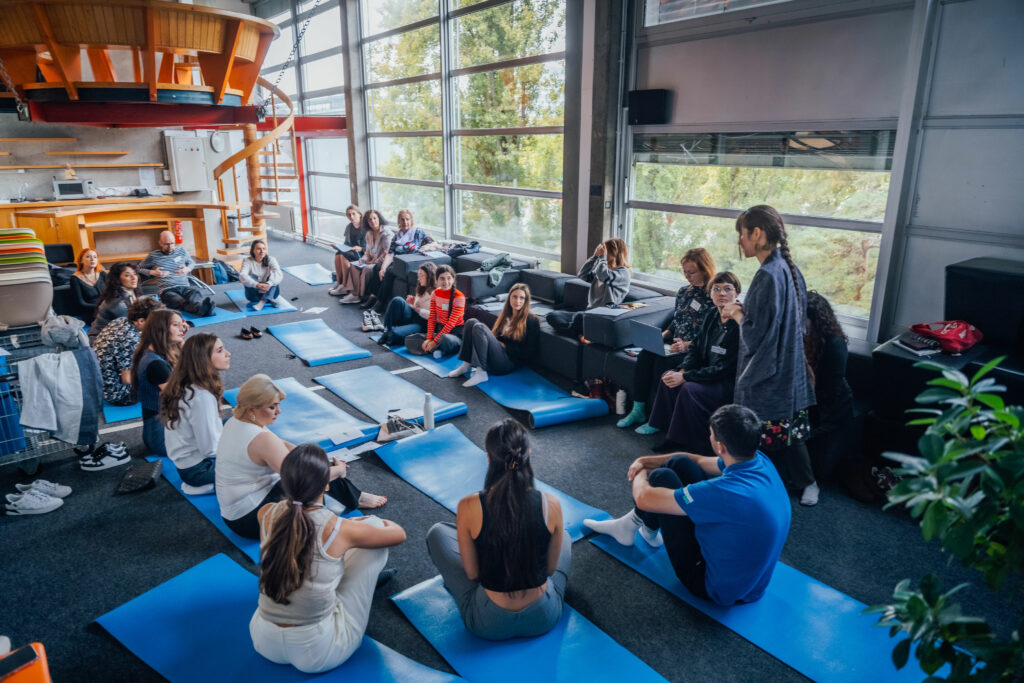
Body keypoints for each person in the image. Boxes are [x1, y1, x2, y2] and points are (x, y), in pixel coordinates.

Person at [583, 404, 790, 606]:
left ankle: (631, 527)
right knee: (679, 462)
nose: (709, 437)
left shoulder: (723, 492)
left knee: (661, 477)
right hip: (753, 586)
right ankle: (641, 527)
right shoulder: (758, 460)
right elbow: (696, 460)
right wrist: (644, 459)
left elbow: (644, 498)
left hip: (710, 585)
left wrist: (639, 471)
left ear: (720, 446)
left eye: (710, 434)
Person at [250, 444, 406, 674]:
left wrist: (347, 530)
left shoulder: (266, 513)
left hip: (263, 640)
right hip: (318, 652)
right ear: (326, 485)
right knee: (373, 532)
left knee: (307, 555)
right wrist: (359, 525)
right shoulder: (336, 527)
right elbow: (397, 534)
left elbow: (301, 532)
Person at [426, 418, 570, 640]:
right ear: (527, 454)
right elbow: (550, 570)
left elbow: (473, 574)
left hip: (488, 624)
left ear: (488, 458)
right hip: (543, 618)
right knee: (565, 538)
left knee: (438, 532)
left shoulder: (469, 505)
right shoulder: (551, 505)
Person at [722, 204, 818, 506]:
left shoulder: (767, 275)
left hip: (770, 369)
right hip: (790, 364)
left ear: (758, 233)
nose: (741, 241)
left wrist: (737, 313)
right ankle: (807, 483)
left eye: (742, 234)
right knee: (789, 431)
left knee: (756, 431)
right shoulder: (788, 267)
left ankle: (752, 485)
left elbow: (755, 334)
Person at [216, 374, 387, 540]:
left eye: (278, 405)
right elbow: (304, 481)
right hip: (251, 521)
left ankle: (355, 497)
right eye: (272, 407)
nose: (279, 411)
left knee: (312, 457)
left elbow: (282, 444)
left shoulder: (238, 420)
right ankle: (335, 522)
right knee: (313, 478)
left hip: (240, 512)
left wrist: (321, 459)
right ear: (253, 408)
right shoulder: (261, 439)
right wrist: (338, 470)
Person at [638, 272, 742, 451]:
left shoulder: (740, 325)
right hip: (706, 373)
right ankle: (663, 428)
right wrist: (684, 370)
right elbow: (695, 347)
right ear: (710, 294)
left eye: (727, 289)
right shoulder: (711, 314)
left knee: (688, 388)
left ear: (737, 293)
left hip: (725, 382)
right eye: (716, 289)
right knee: (669, 377)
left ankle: (679, 440)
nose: (722, 293)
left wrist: (687, 378)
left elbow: (724, 369)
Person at [618, 248, 716, 429]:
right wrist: (663, 335)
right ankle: (638, 410)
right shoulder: (683, 292)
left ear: (705, 269)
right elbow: (677, 320)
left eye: (691, 272)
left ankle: (657, 420)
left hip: (694, 350)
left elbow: (712, 333)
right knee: (645, 356)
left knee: (662, 365)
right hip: (673, 344)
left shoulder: (714, 296)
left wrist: (687, 345)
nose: (687, 276)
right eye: (684, 271)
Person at [161, 333, 231, 495]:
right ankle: (206, 484)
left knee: (240, 424)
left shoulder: (187, 383)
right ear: (203, 359)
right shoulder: (201, 397)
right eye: (220, 351)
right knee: (258, 466)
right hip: (199, 470)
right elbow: (210, 449)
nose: (228, 353)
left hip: (189, 464)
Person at [804, 291, 855, 482]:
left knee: (789, 426)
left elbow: (829, 391)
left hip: (830, 407)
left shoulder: (835, 344)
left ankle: (807, 479)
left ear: (816, 320)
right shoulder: (805, 337)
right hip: (810, 398)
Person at [447, 283, 540, 388]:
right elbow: (497, 337)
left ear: (526, 301)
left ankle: (481, 373)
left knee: (480, 327)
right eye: (514, 296)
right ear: (509, 297)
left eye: (521, 298)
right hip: (496, 355)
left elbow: (531, 352)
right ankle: (466, 365)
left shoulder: (531, 320)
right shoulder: (506, 315)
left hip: (507, 363)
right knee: (471, 322)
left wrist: (506, 346)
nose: (517, 301)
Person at [546, 238, 631, 342]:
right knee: (552, 315)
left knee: (578, 317)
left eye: (605, 250)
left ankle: (577, 331)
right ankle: (578, 333)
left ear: (614, 253)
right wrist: (594, 257)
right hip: (588, 314)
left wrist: (602, 258)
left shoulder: (622, 273)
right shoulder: (602, 268)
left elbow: (603, 275)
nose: (602, 252)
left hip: (602, 318)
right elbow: (582, 275)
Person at [131, 309, 187, 458]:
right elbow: (183, 398)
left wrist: (181, 342)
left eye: (182, 324)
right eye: (176, 325)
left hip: (161, 430)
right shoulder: (156, 365)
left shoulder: (154, 351)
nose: (182, 328)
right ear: (161, 329)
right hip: (163, 439)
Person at [94, 296, 164, 406]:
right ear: (141, 321)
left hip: (102, 383)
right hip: (119, 394)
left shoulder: (120, 321)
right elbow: (127, 379)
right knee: (161, 374)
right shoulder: (129, 339)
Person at [370, 209, 439, 316]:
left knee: (389, 271)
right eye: (402, 220)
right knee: (379, 268)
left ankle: (380, 303)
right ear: (399, 221)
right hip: (399, 262)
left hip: (411, 263)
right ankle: (374, 297)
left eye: (407, 219)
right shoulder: (396, 236)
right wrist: (382, 268)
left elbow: (434, 243)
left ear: (411, 220)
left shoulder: (418, 233)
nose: (405, 222)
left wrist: (428, 246)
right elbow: (390, 254)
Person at [137, 230, 215, 317]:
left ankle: (201, 309)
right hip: (167, 290)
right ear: (160, 243)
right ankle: (204, 310)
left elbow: (191, 263)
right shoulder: (153, 256)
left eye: (172, 243)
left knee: (195, 293)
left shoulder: (182, 251)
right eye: (167, 244)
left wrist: (187, 268)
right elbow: (138, 268)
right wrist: (152, 272)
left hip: (184, 286)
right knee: (177, 300)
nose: (170, 247)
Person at [404, 264, 463, 358]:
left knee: (445, 339)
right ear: (436, 280)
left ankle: (433, 348)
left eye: (449, 278)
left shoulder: (459, 296)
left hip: (454, 335)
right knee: (409, 339)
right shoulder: (435, 294)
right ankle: (436, 349)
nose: (446, 282)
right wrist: (429, 339)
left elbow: (451, 323)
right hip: (439, 332)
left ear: (453, 279)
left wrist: (434, 341)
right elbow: (432, 317)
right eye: (442, 278)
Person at [338, 210, 393, 306]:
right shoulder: (369, 233)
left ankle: (361, 295)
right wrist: (363, 259)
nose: (373, 222)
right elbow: (367, 252)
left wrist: (373, 262)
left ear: (379, 218)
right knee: (354, 266)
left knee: (366, 270)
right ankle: (354, 294)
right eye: (370, 220)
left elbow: (386, 253)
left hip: (381, 262)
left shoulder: (386, 234)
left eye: (375, 218)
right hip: (371, 260)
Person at [376, 262, 436, 345]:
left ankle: (391, 332)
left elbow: (434, 316)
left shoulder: (437, 293)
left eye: (421, 275)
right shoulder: (421, 287)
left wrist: (417, 309)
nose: (418, 278)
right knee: (397, 300)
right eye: (418, 275)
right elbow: (417, 306)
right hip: (414, 316)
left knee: (395, 334)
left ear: (430, 276)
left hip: (424, 324)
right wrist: (413, 302)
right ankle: (387, 330)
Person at [89, 262, 142, 341]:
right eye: (127, 275)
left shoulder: (132, 293)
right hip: (101, 341)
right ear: (117, 279)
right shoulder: (118, 304)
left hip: (118, 335)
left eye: (134, 274)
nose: (133, 278)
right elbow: (128, 330)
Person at [239, 239, 285, 311]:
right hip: (254, 295)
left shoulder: (271, 259)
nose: (262, 251)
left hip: (271, 291)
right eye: (258, 249)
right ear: (253, 250)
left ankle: (262, 302)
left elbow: (279, 273)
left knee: (274, 276)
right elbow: (242, 275)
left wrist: (269, 283)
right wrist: (257, 284)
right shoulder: (247, 260)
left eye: (264, 249)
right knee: (251, 276)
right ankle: (269, 299)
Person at [329, 205, 365, 296]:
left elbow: (369, 246)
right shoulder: (349, 227)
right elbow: (346, 243)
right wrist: (338, 247)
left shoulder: (365, 228)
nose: (351, 217)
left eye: (354, 214)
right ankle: (339, 282)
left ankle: (345, 285)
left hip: (361, 253)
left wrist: (360, 248)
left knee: (343, 255)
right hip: (351, 251)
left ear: (359, 214)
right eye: (349, 215)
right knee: (338, 254)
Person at [69, 248, 107, 324]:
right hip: (90, 311)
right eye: (88, 257)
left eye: (95, 257)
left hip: (107, 308)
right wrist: (100, 307)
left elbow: (112, 293)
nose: (92, 259)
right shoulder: (75, 278)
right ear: (81, 260)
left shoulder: (103, 274)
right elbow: (81, 303)